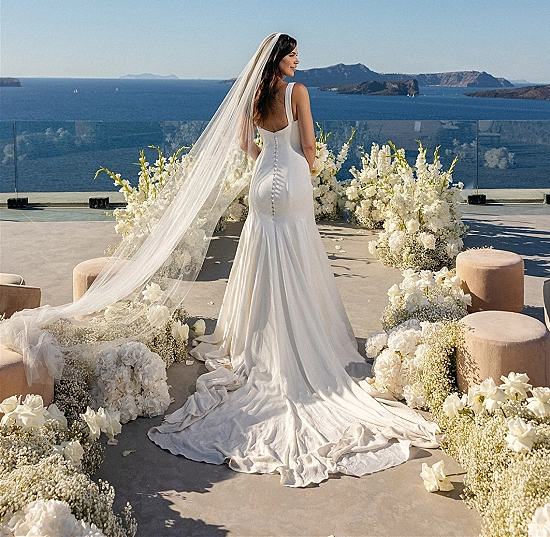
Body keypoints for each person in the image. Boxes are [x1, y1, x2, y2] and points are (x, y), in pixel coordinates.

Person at [148, 34, 439, 487]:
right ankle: (301, 339)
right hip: (295, 182)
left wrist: (266, 157)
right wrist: (312, 167)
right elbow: (309, 146)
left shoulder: (256, 94)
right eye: (293, 55)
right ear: (278, 60)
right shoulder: (296, 93)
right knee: (299, 257)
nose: (298, 62)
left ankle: (258, 340)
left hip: (263, 183)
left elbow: (244, 141)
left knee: (262, 257)